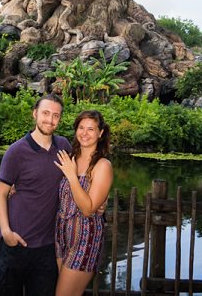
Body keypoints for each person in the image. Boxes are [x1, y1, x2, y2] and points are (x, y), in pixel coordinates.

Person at [0, 94, 71, 296]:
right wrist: (6, 232)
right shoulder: (16, 152)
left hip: (47, 248)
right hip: (15, 244)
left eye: (56, 115)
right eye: (45, 113)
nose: (50, 120)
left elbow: (81, 177)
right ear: (35, 114)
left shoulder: (64, 147)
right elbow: (0, 194)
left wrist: (100, 200)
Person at [54, 110, 113, 296]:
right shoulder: (69, 157)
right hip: (61, 236)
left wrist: (72, 176)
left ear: (100, 133)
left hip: (85, 239)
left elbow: (88, 209)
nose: (85, 133)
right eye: (81, 128)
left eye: (91, 129)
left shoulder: (102, 165)